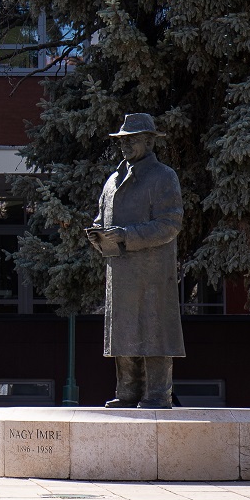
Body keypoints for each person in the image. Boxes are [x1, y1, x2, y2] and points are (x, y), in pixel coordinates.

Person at [86, 113, 186, 408]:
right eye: (122, 140)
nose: (125, 145)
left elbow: (170, 224)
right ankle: (127, 392)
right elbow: (101, 218)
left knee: (154, 333)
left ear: (149, 142)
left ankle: (157, 394)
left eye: (132, 139)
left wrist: (126, 235)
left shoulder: (163, 177)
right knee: (124, 333)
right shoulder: (112, 180)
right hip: (120, 270)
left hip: (153, 271)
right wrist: (98, 234)